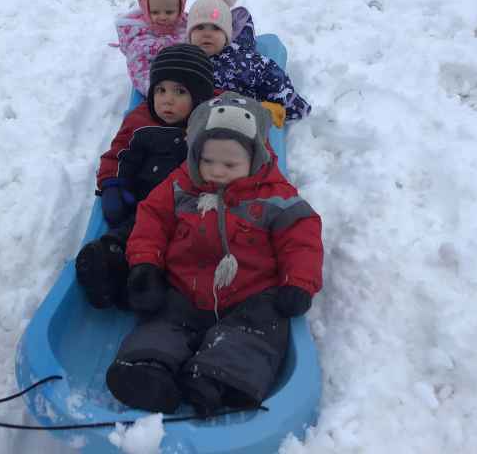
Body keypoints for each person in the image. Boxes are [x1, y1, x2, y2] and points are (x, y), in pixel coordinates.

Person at [105, 92, 324, 416]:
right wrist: (146, 264)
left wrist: (299, 282)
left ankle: (218, 379)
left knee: (258, 330)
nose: (217, 171)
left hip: (249, 295)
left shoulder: (276, 197)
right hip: (184, 288)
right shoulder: (180, 185)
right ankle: (148, 370)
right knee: (162, 322)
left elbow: (301, 238)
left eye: (230, 164)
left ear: (256, 158)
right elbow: (151, 220)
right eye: (207, 161)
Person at [76, 44, 215, 309]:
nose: (167, 100)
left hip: (189, 209)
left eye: (180, 91)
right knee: (132, 234)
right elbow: (118, 153)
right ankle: (109, 263)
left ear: (199, 97)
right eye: (160, 90)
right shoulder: (140, 121)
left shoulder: (207, 127)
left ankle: (149, 286)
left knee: (184, 250)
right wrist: (112, 185)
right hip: (144, 207)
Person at [187, 0, 312, 125]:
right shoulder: (184, 61)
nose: (207, 34)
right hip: (199, 122)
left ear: (227, 35)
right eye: (200, 27)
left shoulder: (243, 60)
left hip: (242, 119)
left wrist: (293, 106)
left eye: (215, 28)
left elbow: (272, 77)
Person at [115, 0, 190, 95]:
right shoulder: (139, 40)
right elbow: (138, 69)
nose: (162, 17)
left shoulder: (188, 25)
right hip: (155, 87)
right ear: (145, 9)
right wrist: (152, 89)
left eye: (169, 12)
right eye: (155, 12)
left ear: (180, 7)